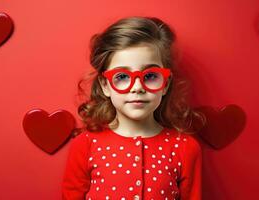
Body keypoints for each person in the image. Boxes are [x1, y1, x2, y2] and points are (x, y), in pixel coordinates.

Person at [61, 16, 205, 200]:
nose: (137, 87)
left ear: (166, 84)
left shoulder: (185, 148)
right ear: (105, 85)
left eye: (151, 75)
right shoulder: (85, 145)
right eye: (122, 76)